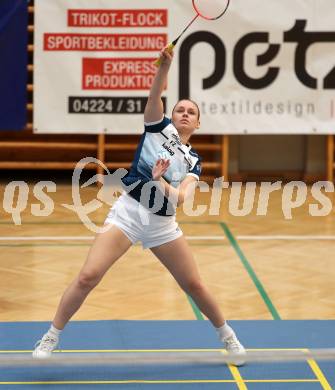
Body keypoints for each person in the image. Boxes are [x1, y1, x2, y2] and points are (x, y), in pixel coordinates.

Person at [32, 47, 246, 365]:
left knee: (194, 284)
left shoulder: (194, 161)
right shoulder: (156, 127)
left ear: (198, 124)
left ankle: (229, 337)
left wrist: (160, 180)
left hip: (163, 224)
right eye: (180, 109)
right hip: (129, 213)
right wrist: (165, 66)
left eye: (191, 112)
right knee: (88, 276)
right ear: (171, 116)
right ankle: (51, 337)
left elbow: (181, 199)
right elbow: (155, 92)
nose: (184, 113)